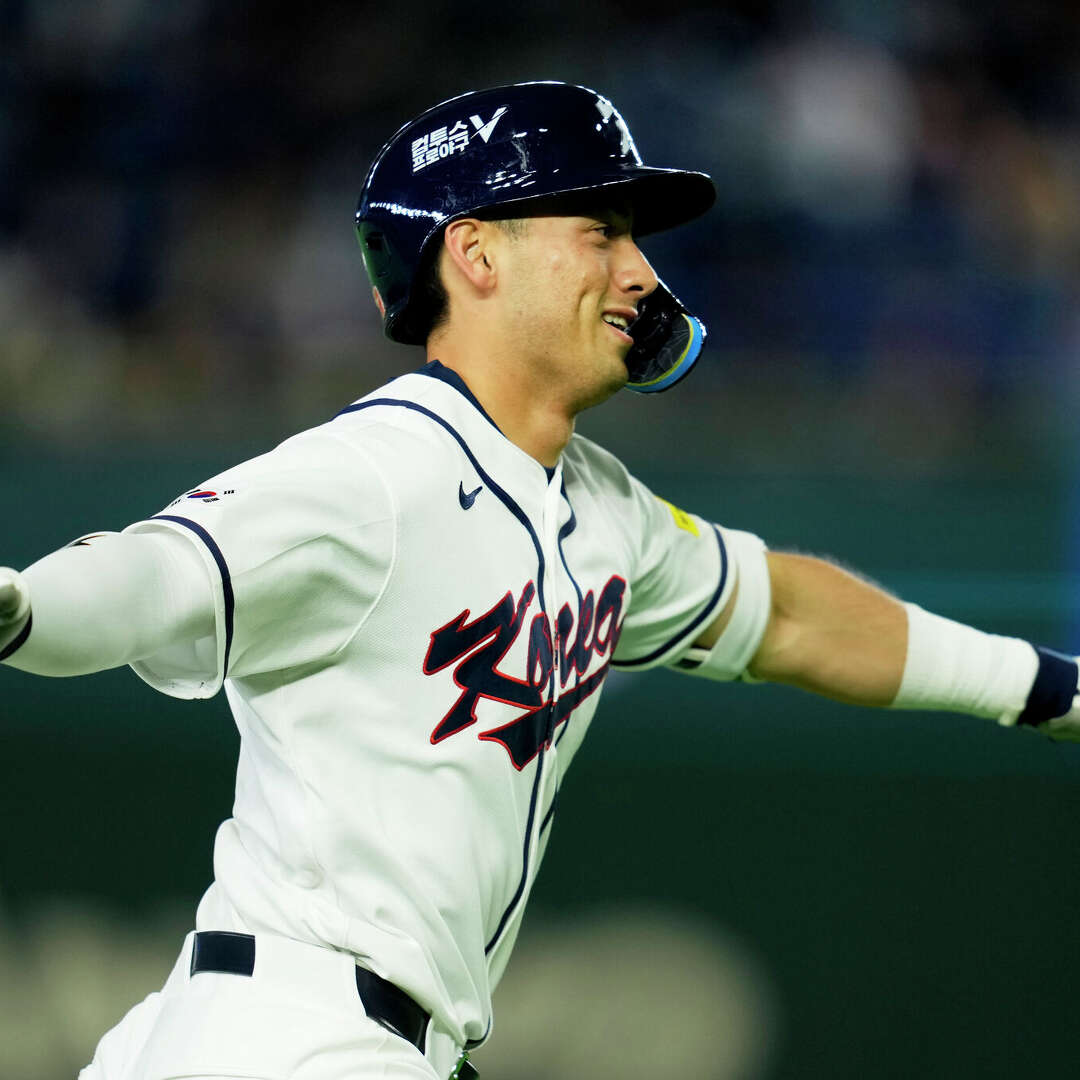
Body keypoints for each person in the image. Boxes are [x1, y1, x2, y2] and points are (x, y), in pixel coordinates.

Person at [1, 80, 1077, 1080]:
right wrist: (25, 606)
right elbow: (152, 572)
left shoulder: (605, 511)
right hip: (289, 1032)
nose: (642, 272)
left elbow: (787, 613)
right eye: (599, 233)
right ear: (475, 253)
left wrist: (1043, 686)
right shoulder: (374, 475)